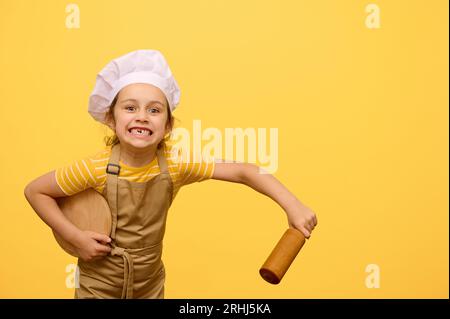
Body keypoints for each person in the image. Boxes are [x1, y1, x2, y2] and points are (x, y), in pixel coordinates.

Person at [24, 49, 317, 299]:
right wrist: (75, 238)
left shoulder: (176, 164)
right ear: (111, 119)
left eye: (154, 110)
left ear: (167, 126)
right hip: (97, 288)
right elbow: (35, 191)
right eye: (130, 107)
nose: (142, 116)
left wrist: (293, 205)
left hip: (150, 287)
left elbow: (244, 171)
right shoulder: (94, 168)